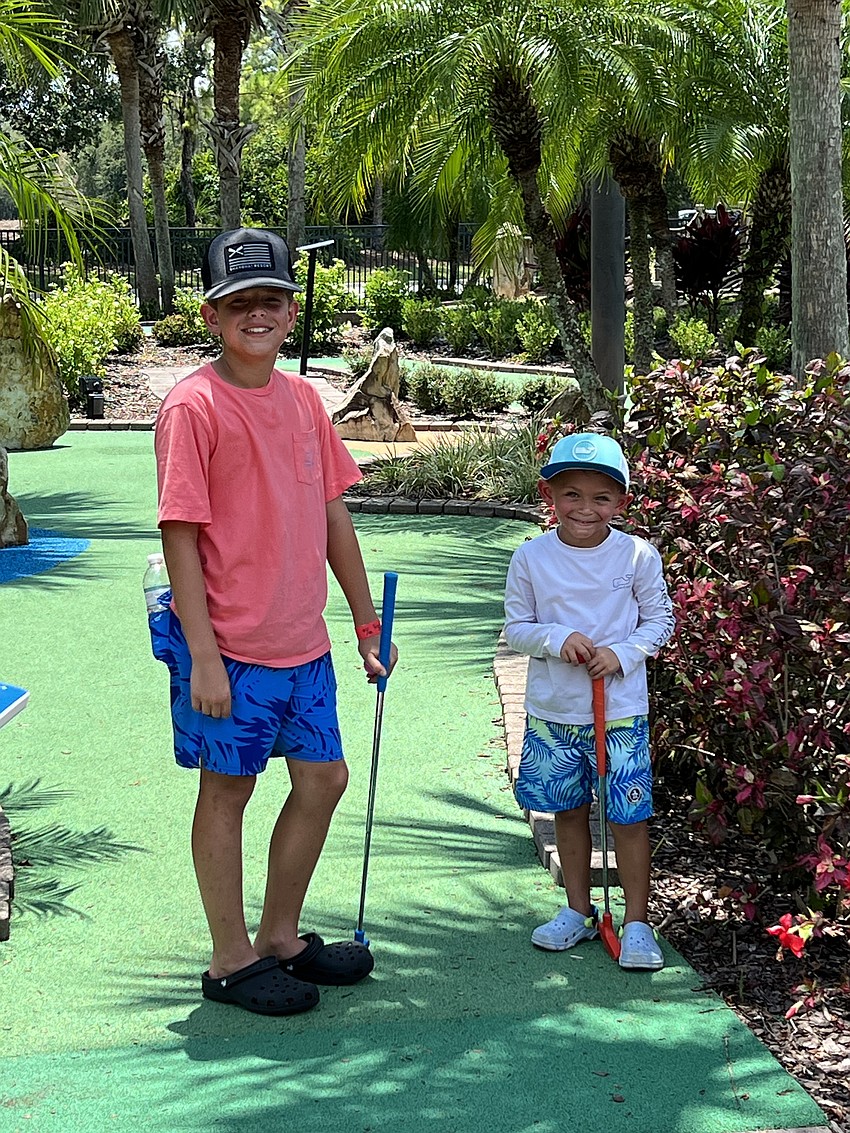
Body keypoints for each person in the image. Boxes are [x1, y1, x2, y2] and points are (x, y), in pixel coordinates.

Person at [150, 227, 397, 1016]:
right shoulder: (192, 407)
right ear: (212, 315)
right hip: (230, 648)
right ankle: (228, 961)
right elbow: (180, 534)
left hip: (305, 646)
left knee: (324, 778)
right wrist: (204, 657)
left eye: (272, 300)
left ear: (292, 311)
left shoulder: (302, 403)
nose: (259, 314)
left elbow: (332, 514)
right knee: (229, 789)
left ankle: (279, 938)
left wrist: (364, 622)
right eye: (240, 302)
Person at [504, 432, 674, 970]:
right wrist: (558, 638)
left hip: (620, 712)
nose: (585, 507)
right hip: (555, 713)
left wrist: (622, 653)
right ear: (547, 495)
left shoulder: (637, 555)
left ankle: (638, 922)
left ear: (621, 501)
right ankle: (577, 911)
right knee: (568, 813)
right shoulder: (531, 557)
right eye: (571, 494)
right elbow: (518, 628)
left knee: (628, 817)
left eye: (601, 497)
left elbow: (660, 621)